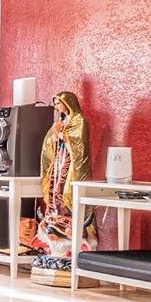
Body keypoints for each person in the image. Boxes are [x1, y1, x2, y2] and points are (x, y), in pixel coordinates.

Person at [27, 90, 93, 285]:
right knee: (55, 192)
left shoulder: (79, 121)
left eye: (58, 104)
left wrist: (65, 136)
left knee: (67, 194)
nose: (56, 107)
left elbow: (80, 143)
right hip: (59, 162)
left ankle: (70, 227)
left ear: (68, 103)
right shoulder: (60, 122)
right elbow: (49, 142)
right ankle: (54, 221)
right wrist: (55, 138)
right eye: (55, 104)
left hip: (71, 166)